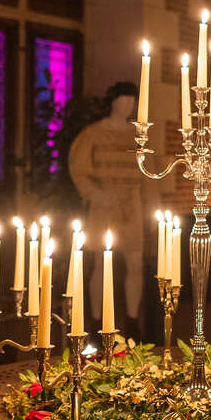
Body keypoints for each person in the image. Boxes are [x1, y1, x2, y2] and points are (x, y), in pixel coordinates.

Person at [68, 82, 143, 337]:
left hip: (131, 204)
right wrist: (95, 194)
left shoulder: (139, 135)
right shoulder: (93, 133)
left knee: (135, 261)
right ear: (113, 102)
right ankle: (96, 319)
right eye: (123, 100)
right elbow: (79, 168)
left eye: (132, 101)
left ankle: (132, 319)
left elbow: (149, 171)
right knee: (101, 261)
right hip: (103, 204)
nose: (128, 105)